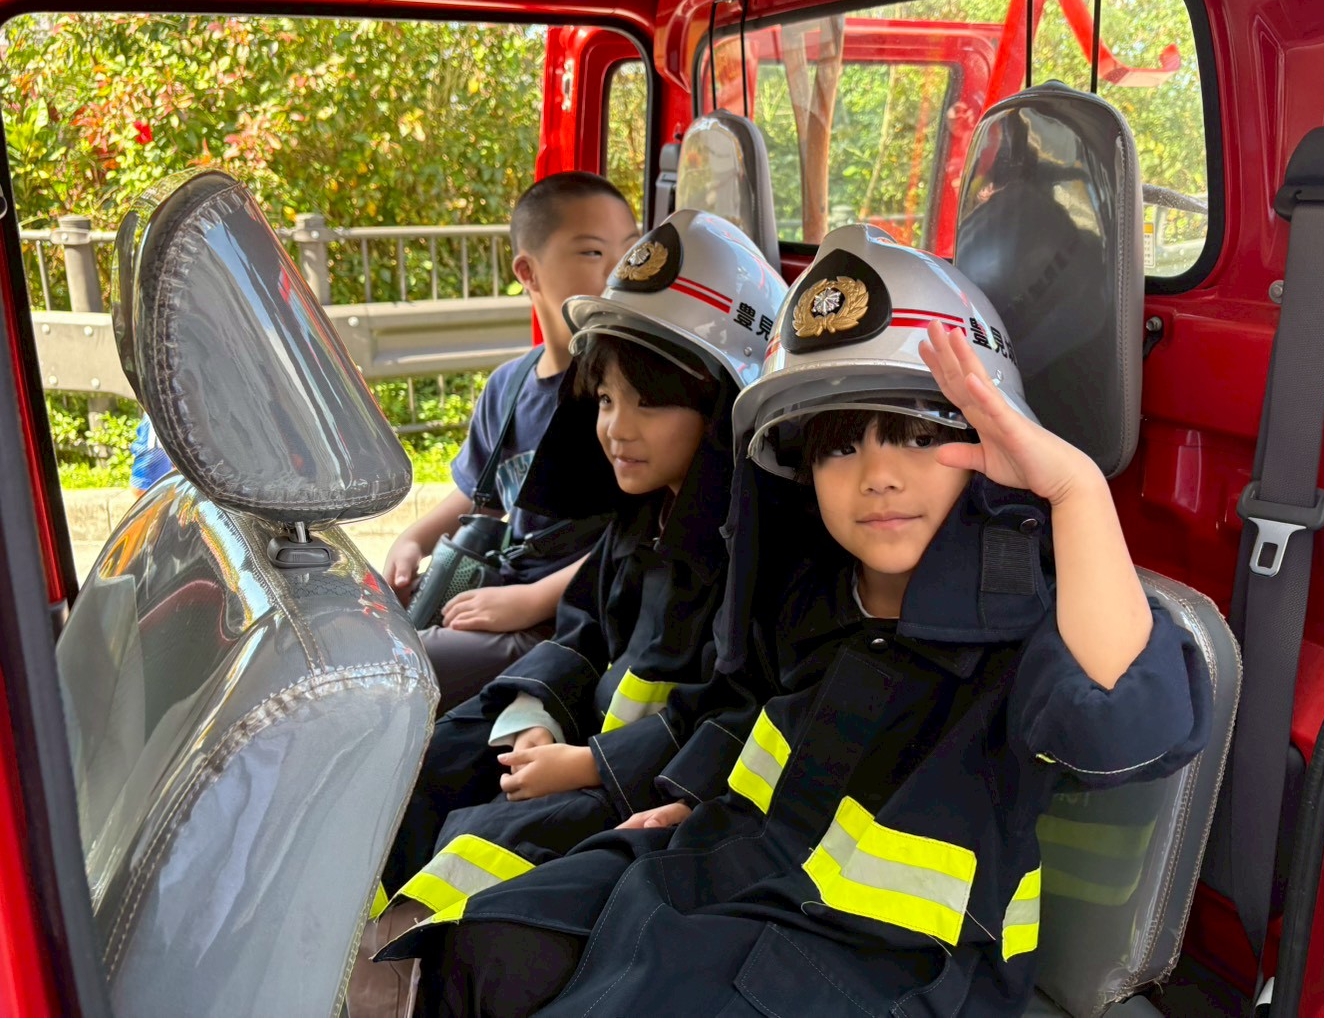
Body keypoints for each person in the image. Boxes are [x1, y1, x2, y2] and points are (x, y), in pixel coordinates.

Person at [387, 225, 1212, 1017]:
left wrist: (1073, 489)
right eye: (840, 446)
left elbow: (1122, 732)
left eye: (920, 435)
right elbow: (760, 722)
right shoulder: (810, 598)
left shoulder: (1026, 625)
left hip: (877, 966)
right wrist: (697, 801)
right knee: (488, 945)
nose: (879, 476)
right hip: (733, 866)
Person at [349, 211, 785, 1018]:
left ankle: (404, 973)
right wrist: (531, 717)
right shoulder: (637, 520)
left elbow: (737, 706)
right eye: (606, 400)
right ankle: (361, 944)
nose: (616, 428)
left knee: (500, 853)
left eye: (648, 404)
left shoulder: (749, 556)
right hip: (577, 748)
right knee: (434, 754)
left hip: (638, 783)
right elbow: (580, 634)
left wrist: (589, 767)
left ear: (721, 407)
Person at [383, 172, 639, 714]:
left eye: (630, 252)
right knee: (375, 633)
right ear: (528, 272)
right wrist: (412, 540)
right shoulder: (511, 383)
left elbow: (642, 536)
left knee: (393, 667)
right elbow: (483, 493)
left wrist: (529, 601)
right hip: (503, 589)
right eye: (593, 252)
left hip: (568, 618)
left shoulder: (625, 397)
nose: (616, 270)